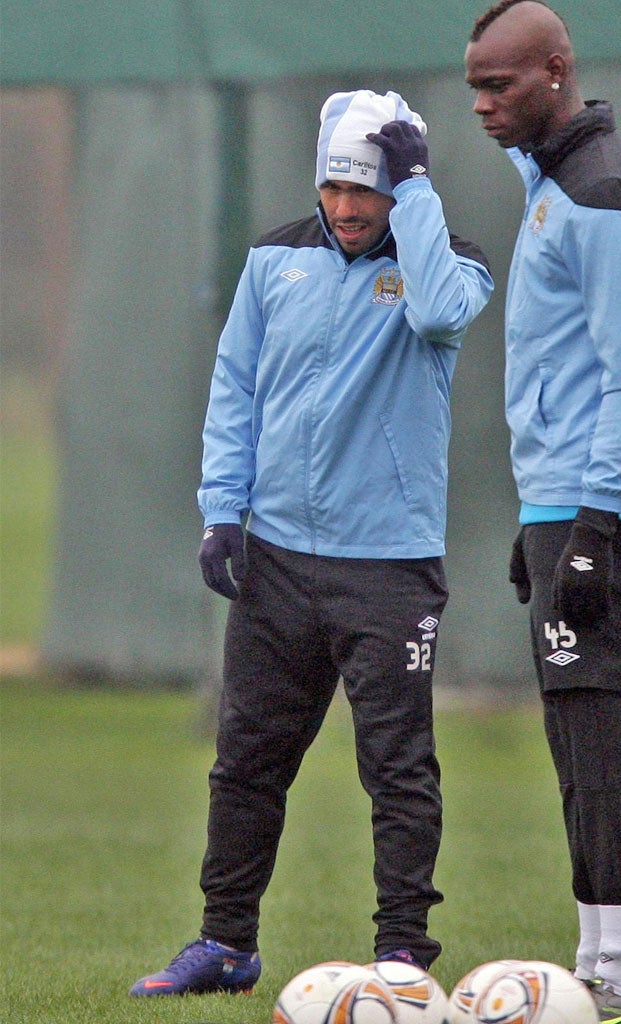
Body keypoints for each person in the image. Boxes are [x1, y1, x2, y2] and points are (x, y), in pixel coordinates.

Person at [129, 89, 493, 997]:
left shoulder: (447, 261)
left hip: (390, 567)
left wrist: (418, 196)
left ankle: (403, 956)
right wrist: (223, 510)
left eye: (367, 189)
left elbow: (441, 316)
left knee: (398, 769)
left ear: (400, 187)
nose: (346, 207)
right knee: (246, 760)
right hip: (281, 559)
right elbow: (235, 386)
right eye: (335, 185)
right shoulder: (272, 259)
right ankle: (226, 944)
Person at [465, 4, 621, 1023]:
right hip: (566, 500)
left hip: (609, 508)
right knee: (576, 736)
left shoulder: (607, 193)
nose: (482, 104)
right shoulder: (557, 181)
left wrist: (595, 527)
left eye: (500, 84)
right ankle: (597, 965)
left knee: (610, 734)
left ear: (557, 71)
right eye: (475, 84)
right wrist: (544, 516)